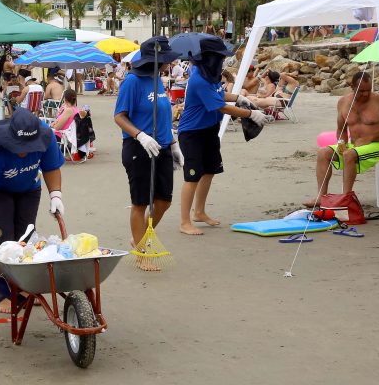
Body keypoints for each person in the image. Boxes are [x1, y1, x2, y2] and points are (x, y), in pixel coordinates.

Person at [0, 108, 65, 312]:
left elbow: (51, 167)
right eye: (19, 146)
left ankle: (23, 288)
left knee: (26, 236)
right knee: (3, 238)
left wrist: (55, 195)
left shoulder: (45, 137)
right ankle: (3, 290)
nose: (24, 151)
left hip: (29, 187)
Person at [177, 37, 268, 235]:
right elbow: (219, 106)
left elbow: (220, 95)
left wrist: (239, 97)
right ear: (210, 58)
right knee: (192, 176)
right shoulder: (198, 78)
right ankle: (184, 222)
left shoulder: (210, 76)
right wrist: (250, 113)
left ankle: (199, 212)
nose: (221, 62)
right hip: (192, 133)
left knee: (209, 171)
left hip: (209, 129)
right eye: (219, 58)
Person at [113, 36, 184, 267]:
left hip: (161, 146)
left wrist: (173, 144)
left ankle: (139, 236)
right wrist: (140, 135)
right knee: (141, 202)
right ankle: (142, 252)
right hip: (138, 147)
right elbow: (119, 116)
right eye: (165, 59)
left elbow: (163, 114)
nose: (169, 63)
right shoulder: (132, 81)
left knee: (164, 200)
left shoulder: (158, 79)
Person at [311, 71, 379, 201]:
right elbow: (341, 129)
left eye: (368, 90)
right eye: (361, 91)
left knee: (349, 154)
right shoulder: (343, 102)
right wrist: (342, 144)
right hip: (354, 145)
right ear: (352, 87)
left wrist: (371, 138)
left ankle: (346, 198)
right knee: (323, 153)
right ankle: (321, 197)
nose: (366, 94)